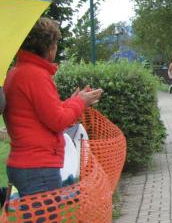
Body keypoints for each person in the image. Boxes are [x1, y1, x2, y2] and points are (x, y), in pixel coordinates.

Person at [3, 17, 102, 197]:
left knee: (35, 216)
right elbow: (57, 121)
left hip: (25, 163)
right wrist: (80, 102)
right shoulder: (36, 75)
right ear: (50, 48)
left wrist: (74, 101)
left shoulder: (18, 72)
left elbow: (43, 114)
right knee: (45, 216)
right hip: (38, 167)